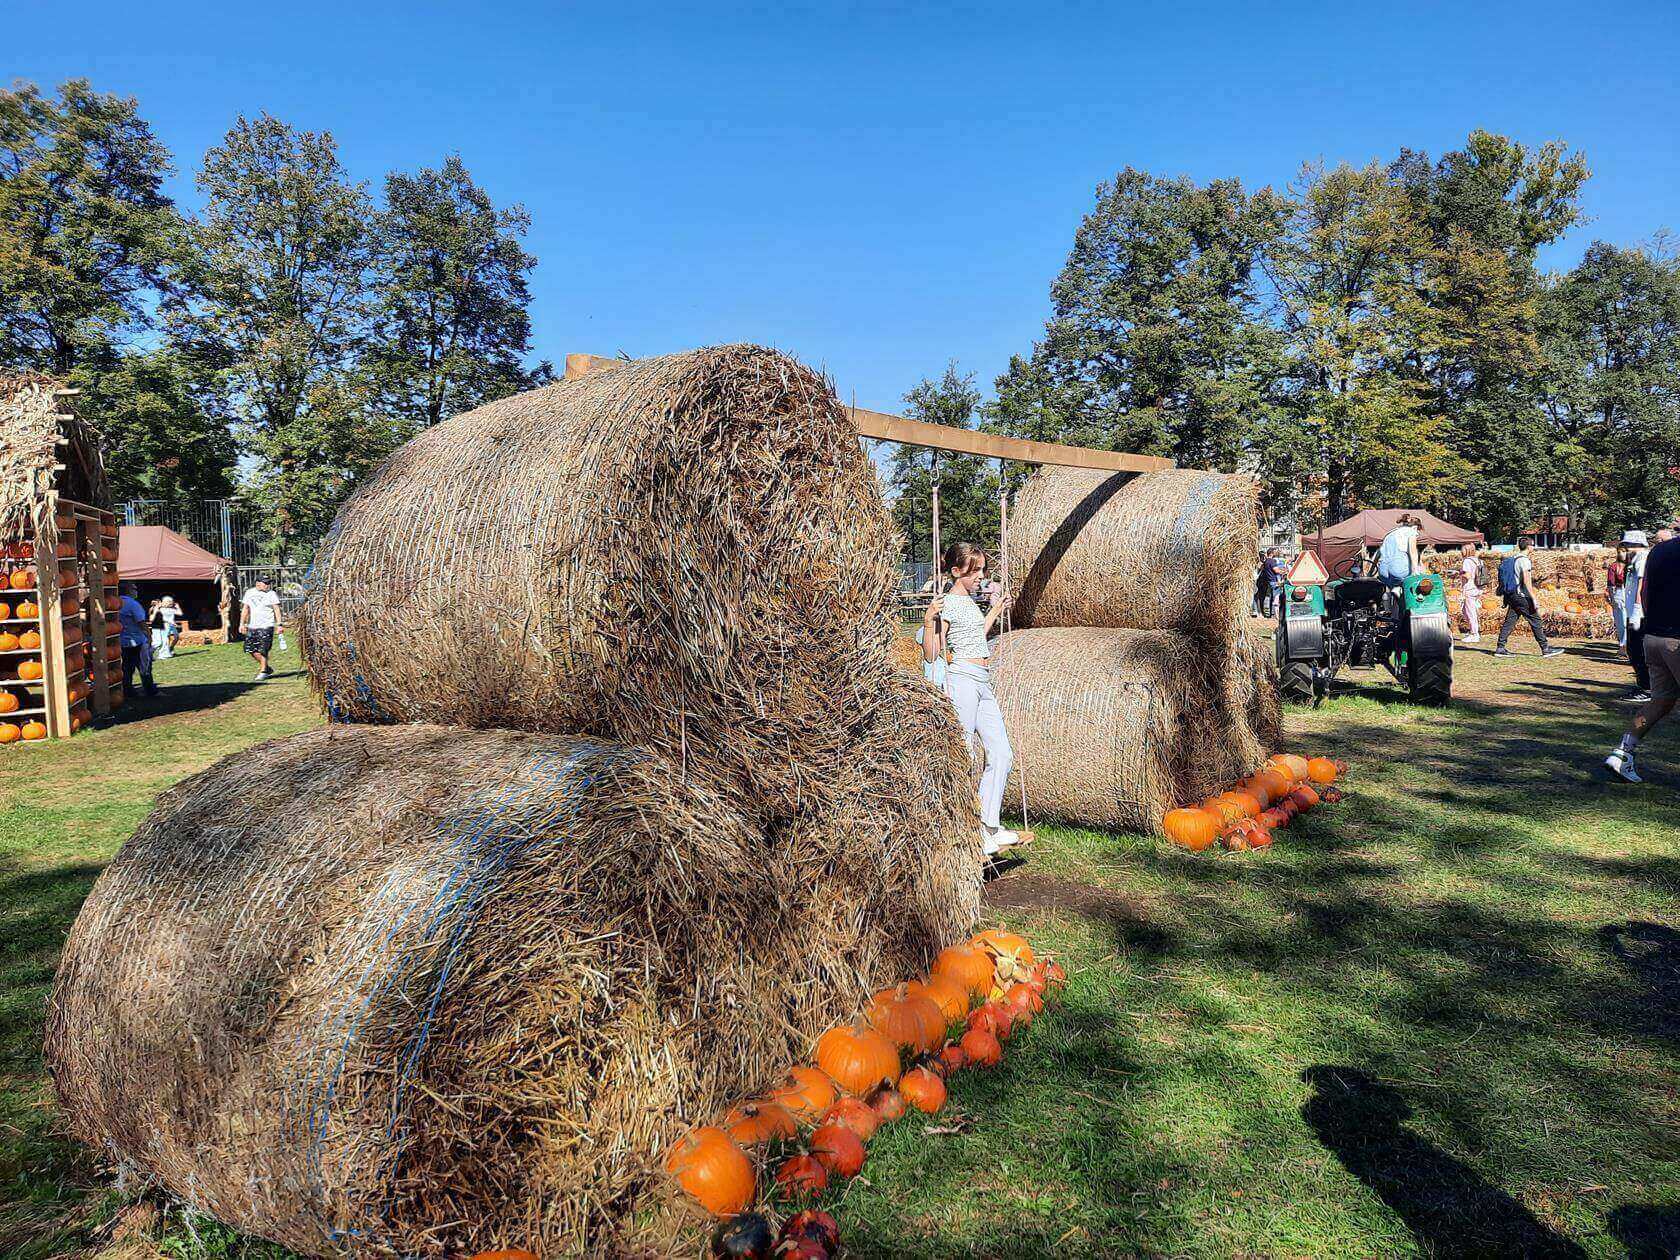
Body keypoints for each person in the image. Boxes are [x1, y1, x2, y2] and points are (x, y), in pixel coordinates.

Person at [922, 541, 1019, 856]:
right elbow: (932, 653)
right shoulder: (947, 603)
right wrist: (928, 622)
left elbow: (977, 635)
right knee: (966, 754)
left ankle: (988, 824)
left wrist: (994, 611)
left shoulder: (971, 603)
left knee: (1002, 753)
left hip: (982, 680)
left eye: (982, 570)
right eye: (974, 571)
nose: (981, 576)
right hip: (961, 678)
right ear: (955, 572)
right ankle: (965, 828)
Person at [1605, 526, 1680, 782]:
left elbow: (1644, 593)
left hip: (1654, 636)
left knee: (1660, 701)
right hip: (1676, 640)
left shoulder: (1658, 551)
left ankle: (1622, 753)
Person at [1494, 537, 1565, 659]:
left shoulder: (1514, 558)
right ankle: (1545, 648)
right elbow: (1527, 581)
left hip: (1511, 595)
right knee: (1535, 620)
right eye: (1533, 545)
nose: (1533, 547)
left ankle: (1500, 647)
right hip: (1521, 595)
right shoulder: (1525, 560)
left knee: (1510, 620)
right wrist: (1533, 598)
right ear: (1529, 546)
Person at [1622, 531, 1652, 703]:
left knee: (1637, 649)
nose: (1625, 548)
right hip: (1634, 611)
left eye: (1628, 545)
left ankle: (1646, 688)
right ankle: (1642, 684)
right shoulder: (1634, 559)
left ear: (1638, 545)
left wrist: (1636, 608)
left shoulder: (1642, 558)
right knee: (1633, 649)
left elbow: (1642, 585)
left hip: (1638, 613)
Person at [117, 582, 159, 696]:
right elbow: (141, 622)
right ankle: (150, 690)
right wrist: (149, 636)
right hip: (137, 640)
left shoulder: (114, 603)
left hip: (122, 641)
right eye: (134, 588)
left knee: (127, 668)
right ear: (128, 590)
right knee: (144, 666)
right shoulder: (132, 604)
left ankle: (128, 690)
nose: (136, 591)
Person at [239, 578, 284, 682]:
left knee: (263, 649)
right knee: (250, 649)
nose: (268, 585)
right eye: (266, 583)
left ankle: (263, 671)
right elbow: (245, 609)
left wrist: (279, 625)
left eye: (269, 583)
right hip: (253, 625)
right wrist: (242, 624)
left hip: (267, 625)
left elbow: (276, 609)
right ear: (258, 584)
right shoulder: (249, 593)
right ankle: (267, 668)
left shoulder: (272, 594)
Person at [1376, 514, 1422, 589]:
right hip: (1399, 571)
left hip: (1383, 571)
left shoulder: (1390, 534)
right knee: (1422, 576)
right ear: (1415, 527)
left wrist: (1370, 573)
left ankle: (1394, 593)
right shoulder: (1411, 532)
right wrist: (1415, 571)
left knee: (1391, 590)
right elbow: (1413, 552)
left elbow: (1378, 554)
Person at [1458, 543, 1486, 643]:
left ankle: (1474, 634)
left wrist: (1459, 572)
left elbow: (1468, 576)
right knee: (1468, 611)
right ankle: (1473, 631)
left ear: (1466, 550)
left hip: (1470, 588)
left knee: (1469, 612)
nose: (1461, 551)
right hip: (1478, 588)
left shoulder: (1467, 561)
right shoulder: (1478, 560)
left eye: (1463, 549)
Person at [1607, 543, 1629, 650]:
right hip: (1618, 594)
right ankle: (1622, 643)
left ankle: (1624, 645)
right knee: (1620, 622)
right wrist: (1612, 598)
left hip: (1630, 593)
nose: (1621, 554)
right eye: (1619, 552)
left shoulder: (1632, 565)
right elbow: (1610, 583)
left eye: (1623, 551)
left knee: (1626, 621)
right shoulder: (1614, 566)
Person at [149, 595, 182, 660]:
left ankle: (163, 654)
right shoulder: (155, 609)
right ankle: (148, 654)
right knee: (158, 642)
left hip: (162, 626)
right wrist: (156, 610)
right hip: (157, 627)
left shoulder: (163, 609)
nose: (161, 604)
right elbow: (151, 619)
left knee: (164, 641)